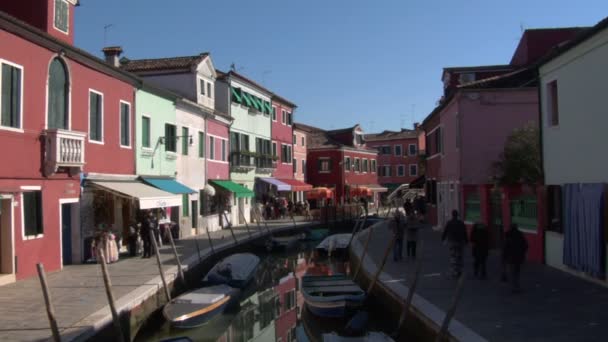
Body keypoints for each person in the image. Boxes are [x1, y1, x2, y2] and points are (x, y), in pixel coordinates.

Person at [441, 210, 468, 278]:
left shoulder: (449, 222)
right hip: (460, 241)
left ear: (452, 215)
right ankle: (459, 270)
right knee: (460, 256)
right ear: (457, 215)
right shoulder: (461, 223)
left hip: (452, 241)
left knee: (453, 256)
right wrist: (466, 241)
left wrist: (443, 239)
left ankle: (454, 271)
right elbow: (465, 232)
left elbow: (445, 231)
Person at [503, 223, 528, 293]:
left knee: (512, 272)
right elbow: (525, 245)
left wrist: (504, 257)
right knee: (517, 272)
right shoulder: (520, 235)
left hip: (511, 257)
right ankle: (516, 286)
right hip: (519, 256)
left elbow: (505, 247)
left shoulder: (508, 235)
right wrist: (522, 252)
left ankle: (514, 287)